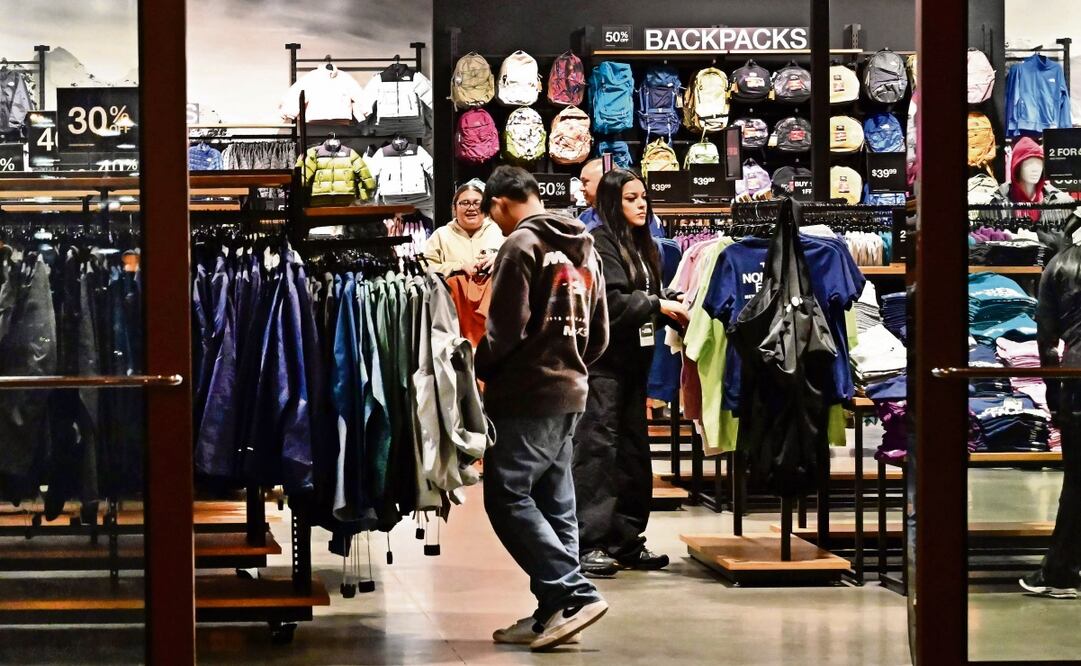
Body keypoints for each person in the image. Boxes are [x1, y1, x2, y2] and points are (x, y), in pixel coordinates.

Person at [475, 166, 611, 650]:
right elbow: (599, 334)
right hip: (572, 389)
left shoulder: (520, 245)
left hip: (526, 392)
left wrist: (481, 364)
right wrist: (570, 365)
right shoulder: (585, 243)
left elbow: (505, 329)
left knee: (506, 494)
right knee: (556, 501)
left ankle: (573, 593)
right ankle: (553, 612)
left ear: (499, 203)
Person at [573, 168, 689, 577]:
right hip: (602, 366)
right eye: (630, 198)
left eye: (643, 196)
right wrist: (658, 306)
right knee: (597, 452)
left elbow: (645, 296)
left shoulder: (642, 244)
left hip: (634, 366)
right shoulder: (600, 243)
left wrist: (669, 305)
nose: (641, 204)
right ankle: (590, 543)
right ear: (610, 202)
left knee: (634, 455)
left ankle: (626, 540)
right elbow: (613, 302)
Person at [1024, 211, 1081, 599]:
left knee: (1077, 480)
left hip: (1078, 381)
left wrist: (1053, 394)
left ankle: (1059, 571)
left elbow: (1047, 341)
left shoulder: (1060, 266)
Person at [423, 179, 505, 277]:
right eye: (465, 203)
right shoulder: (441, 235)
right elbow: (424, 267)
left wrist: (499, 259)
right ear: (454, 208)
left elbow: (518, 260)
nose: (471, 208)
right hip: (454, 291)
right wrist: (457, 267)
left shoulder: (500, 231)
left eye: (477, 203)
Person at [578, 158, 666, 237]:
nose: (642, 204)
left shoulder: (647, 221)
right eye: (631, 198)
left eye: (585, 182)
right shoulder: (585, 216)